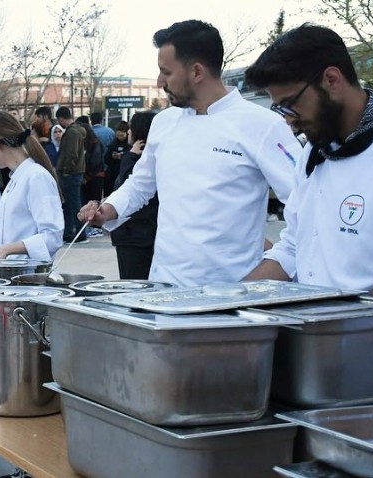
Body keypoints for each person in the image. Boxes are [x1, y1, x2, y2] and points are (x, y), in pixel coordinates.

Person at [242, 24, 373, 388]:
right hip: (319, 361)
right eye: (279, 109)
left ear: (332, 79)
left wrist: (331, 321)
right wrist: (230, 301)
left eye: (290, 105)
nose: (288, 121)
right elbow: (293, 246)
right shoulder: (315, 150)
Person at [80, 19, 298, 287]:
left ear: (197, 71)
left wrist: (271, 269)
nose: (160, 81)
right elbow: (141, 184)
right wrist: (109, 209)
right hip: (164, 290)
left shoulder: (263, 125)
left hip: (231, 299)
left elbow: (306, 203)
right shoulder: (164, 122)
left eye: (166, 72)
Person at [0, 111, 63, 261]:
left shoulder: (36, 177)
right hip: (12, 275)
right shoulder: (17, 178)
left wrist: (6, 250)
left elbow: (52, 237)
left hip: (29, 278)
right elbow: (18, 230)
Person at [111, 113, 159, 279]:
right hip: (132, 234)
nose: (128, 132)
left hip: (137, 233)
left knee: (134, 284)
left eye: (132, 127)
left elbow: (128, 185)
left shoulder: (141, 158)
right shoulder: (135, 154)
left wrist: (129, 156)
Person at [55, 107, 87, 243]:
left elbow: (72, 153)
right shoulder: (76, 130)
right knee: (69, 204)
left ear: (61, 118)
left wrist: (66, 170)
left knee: (73, 204)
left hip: (71, 173)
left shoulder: (72, 132)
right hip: (74, 172)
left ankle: (80, 233)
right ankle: (69, 233)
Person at [104, 121, 130, 198]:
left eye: (122, 135)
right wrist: (112, 156)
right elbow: (106, 159)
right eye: (118, 135)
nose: (120, 137)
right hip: (112, 173)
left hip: (123, 173)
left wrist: (122, 156)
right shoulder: (113, 143)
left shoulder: (129, 144)